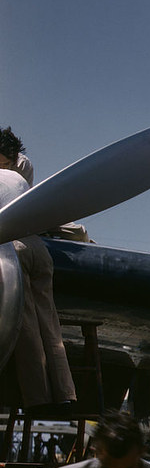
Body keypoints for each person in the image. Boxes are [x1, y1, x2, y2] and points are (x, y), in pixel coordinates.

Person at [0, 126, 77, 416]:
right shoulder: (19, 176)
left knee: (27, 329)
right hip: (39, 249)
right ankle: (67, 394)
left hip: (13, 248)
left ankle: (38, 400)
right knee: (50, 324)